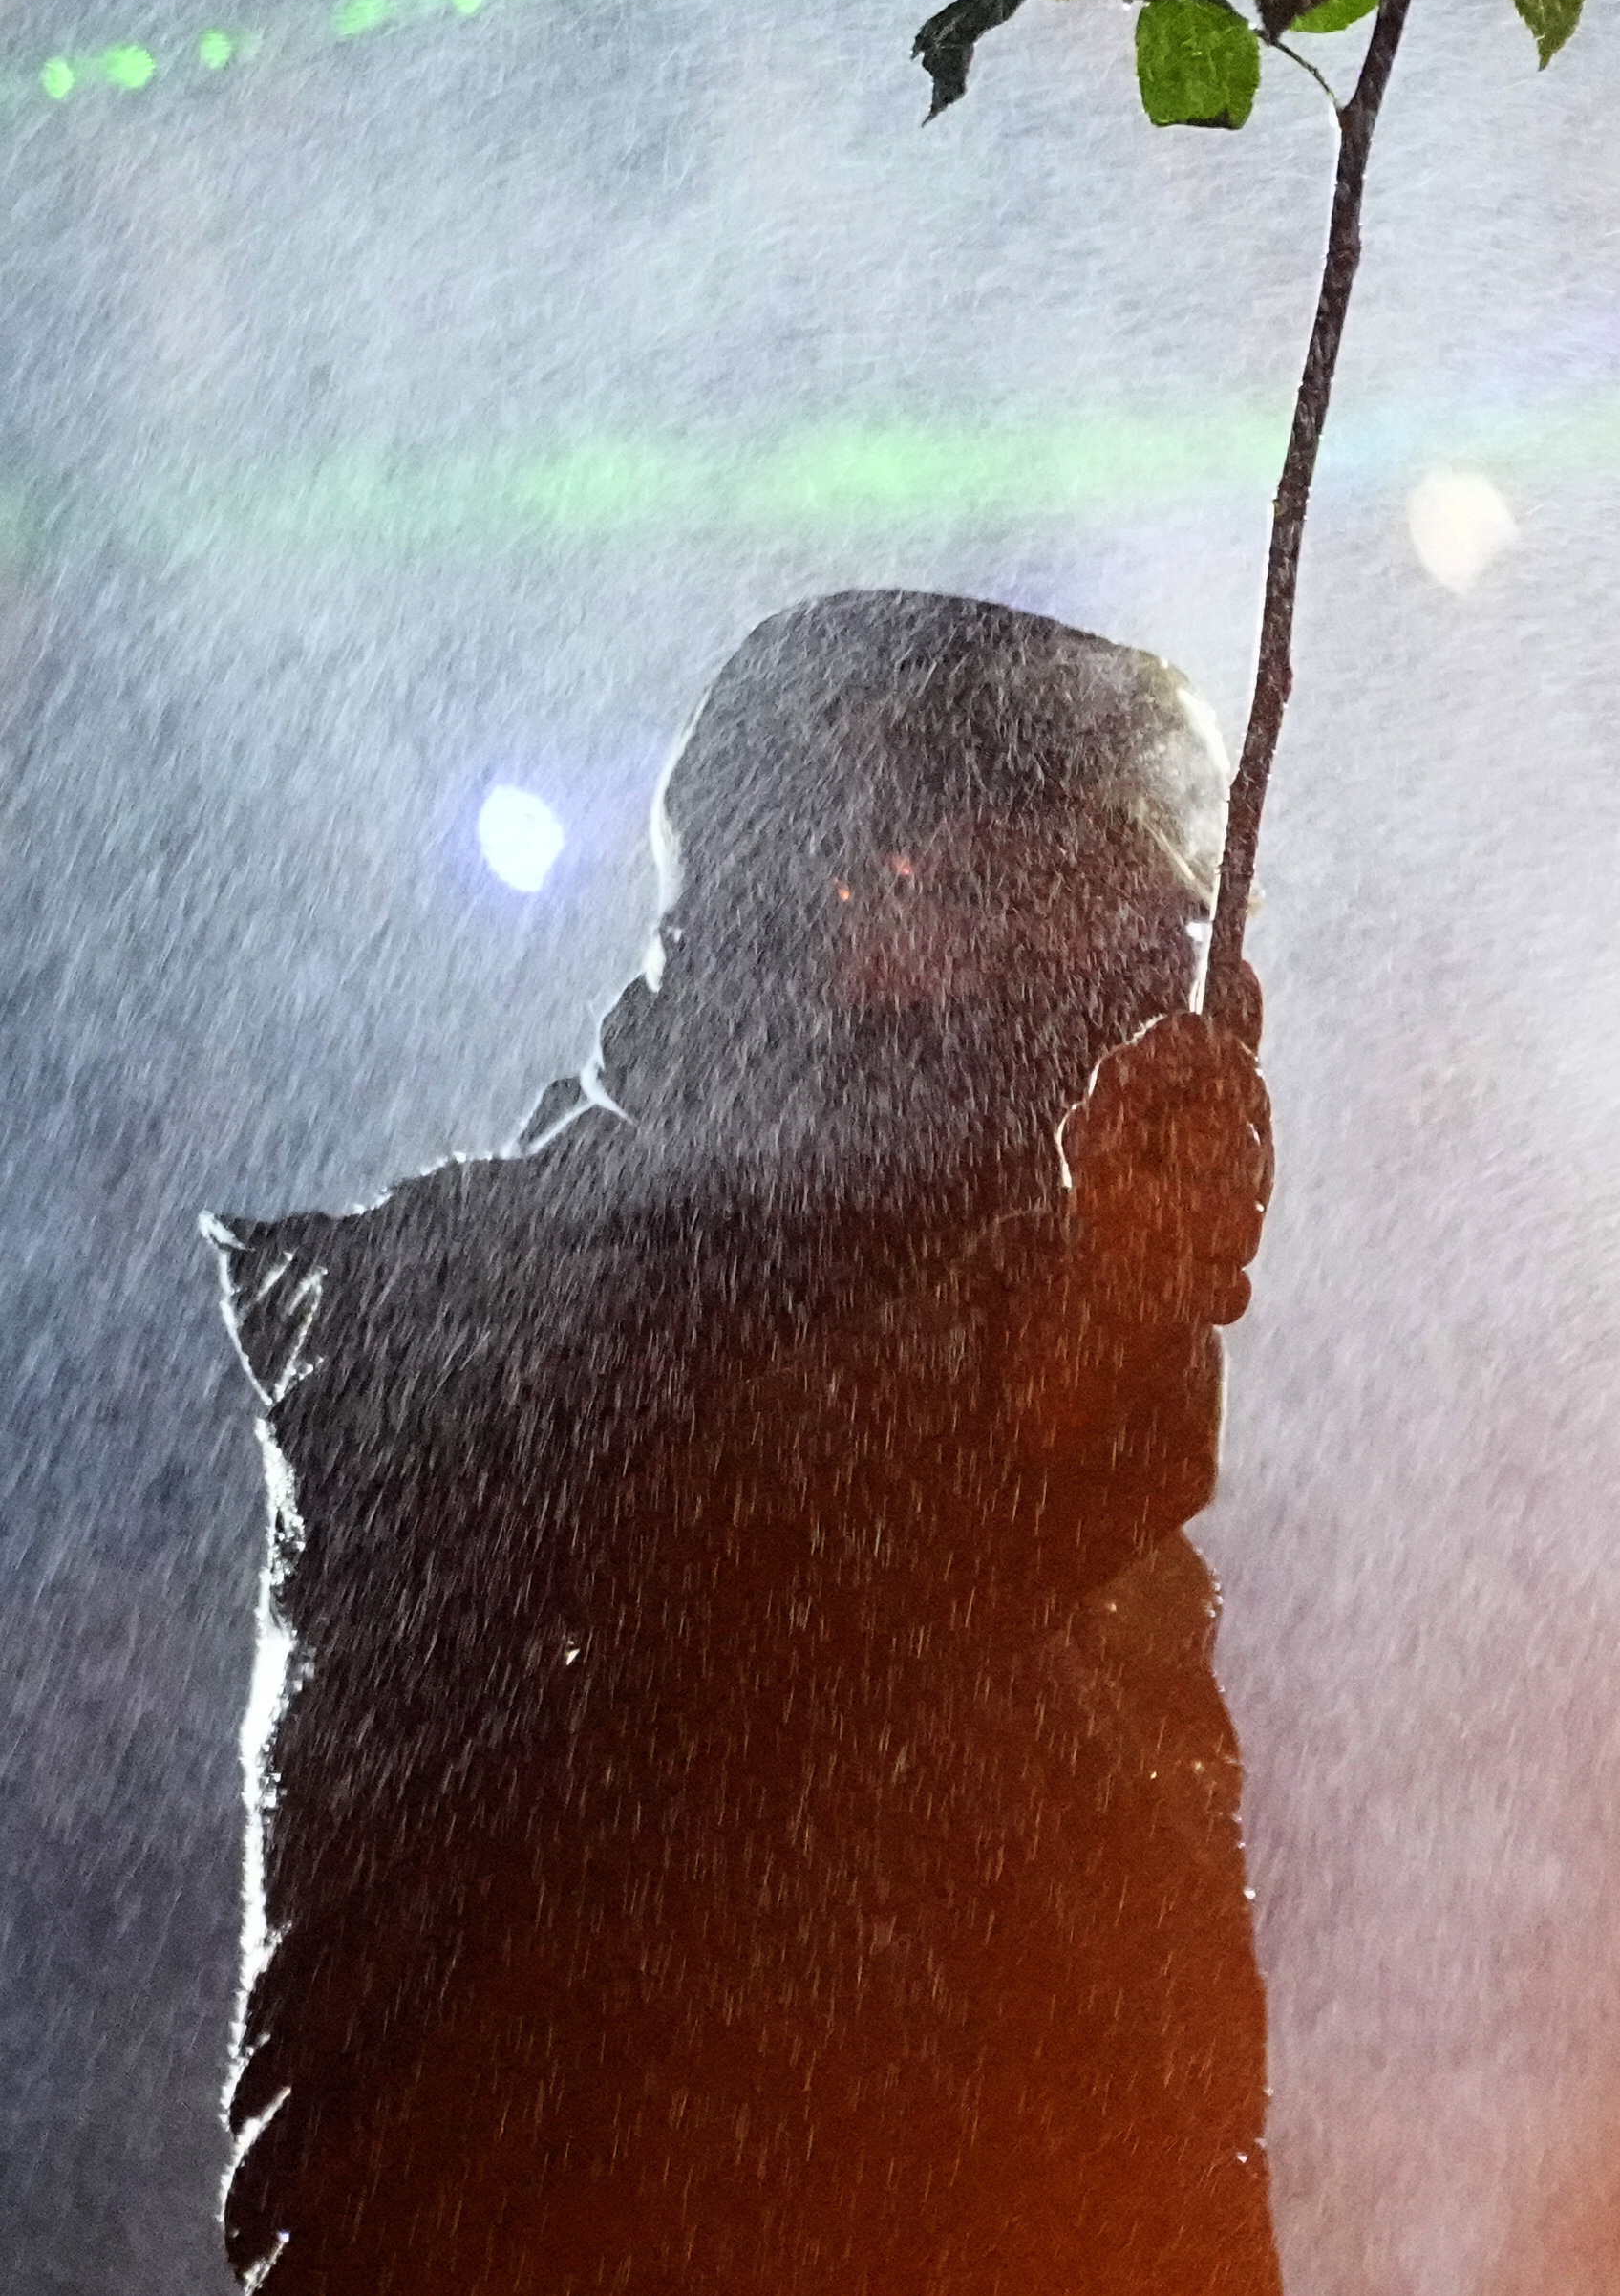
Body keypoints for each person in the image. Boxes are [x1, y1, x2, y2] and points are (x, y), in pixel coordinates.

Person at [212, 591, 1283, 2295]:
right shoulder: (447, 1326)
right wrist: (1078, 1321)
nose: (1152, 963)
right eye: (1068, 891)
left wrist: (1083, 1330)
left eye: (1159, 907)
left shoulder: (1079, 1521)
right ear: (862, 899)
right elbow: (768, 1507)